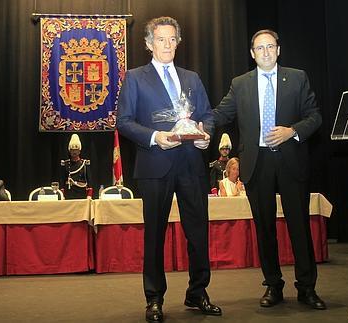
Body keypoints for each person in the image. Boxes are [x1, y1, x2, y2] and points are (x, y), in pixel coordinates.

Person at [117, 16, 221, 322]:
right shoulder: (135, 77)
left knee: (198, 233)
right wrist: (154, 137)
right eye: (160, 39)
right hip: (155, 165)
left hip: (191, 164)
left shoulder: (192, 77)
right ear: (149, 44)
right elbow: (123, 121)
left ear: (178, 42)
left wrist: (205, 137)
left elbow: (207, 115)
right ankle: (154, 298)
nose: (167, 45)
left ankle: (198, 292)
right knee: (155, 235)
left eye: (172, 39)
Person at [213, 29, 325, 310]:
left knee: (299, 226)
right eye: (259, 48)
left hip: (291, 160)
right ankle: (273, 285)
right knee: (264, 230)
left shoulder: (297, 78)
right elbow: (220, 114)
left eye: (270, 47)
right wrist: (190, 122)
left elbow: (315, 117)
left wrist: (292, 132)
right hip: (257, 163)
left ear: (278, 50)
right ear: (252, 53)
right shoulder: (240, 84)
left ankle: (307, 288)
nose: (265, 52)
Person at [61, 134, 91, 199]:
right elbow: (62, 180)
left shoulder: (84, 163)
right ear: (69, 151)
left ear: (79, 151)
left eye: (76, 149)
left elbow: (89, 180)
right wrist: (62, 194)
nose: (74, 152)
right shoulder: (65, 163)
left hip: (81, 191)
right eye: (72, 150)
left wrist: (89, 194)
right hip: (69, 192)